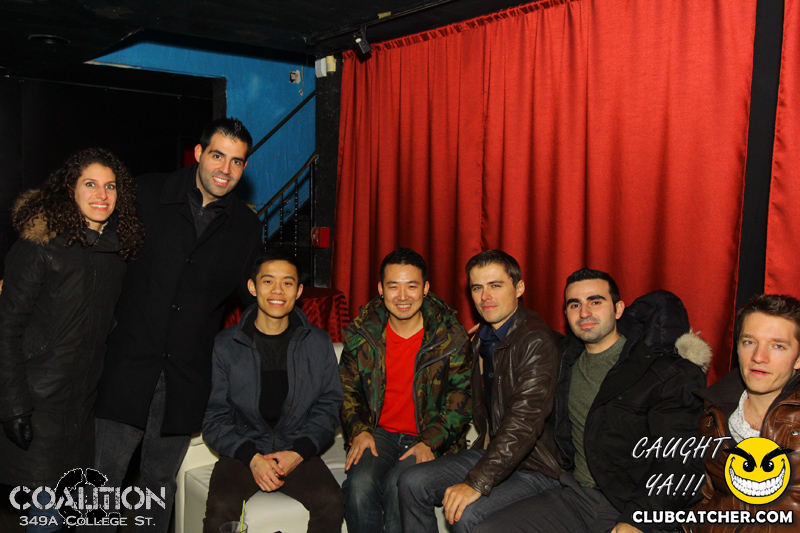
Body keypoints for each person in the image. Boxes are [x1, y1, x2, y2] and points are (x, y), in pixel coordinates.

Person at [91, 118, 262, 532]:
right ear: (199, 154)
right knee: (101, 482)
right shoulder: (145, 193)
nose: (225, 169)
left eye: (237, 162)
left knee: (158, 484)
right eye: (218, 155)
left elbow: (256, 298)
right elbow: (92, 243)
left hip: (184, 378)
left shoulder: (245, 227)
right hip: (124, 366)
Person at [473, 269, 710, 533]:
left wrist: (639, 518)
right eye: (575, 305)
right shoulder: (564, 358)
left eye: (595, 302)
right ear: (566, 314)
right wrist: (490, 337)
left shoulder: (663, 374)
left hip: (632, 503)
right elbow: (528, 340)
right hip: (577, 494)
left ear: (618, 309)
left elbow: (679, 461)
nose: (584, 313)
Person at [0, 148, 144, 532]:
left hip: (83, 409)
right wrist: (13, 406)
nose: (102, 195)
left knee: (68, 516)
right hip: (38, 405)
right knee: (46, 517)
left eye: (110, 186)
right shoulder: (41, 245)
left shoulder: (115, 252)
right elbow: (7, 328)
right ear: (70, 190)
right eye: (90, 184)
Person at [399, 249, 562, 533]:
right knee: (411, 482)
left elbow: (523, 423)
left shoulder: (535, 341)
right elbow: (457, 395)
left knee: (465, 513)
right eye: (477, 288)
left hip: (533, 466)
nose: (485, 296)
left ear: (519, 288)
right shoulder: (482, 338)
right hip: (490, 453)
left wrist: (477, 482)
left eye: (495, 285)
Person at [201, 249, 344, 533]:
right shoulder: (227, 344)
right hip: (244, 450)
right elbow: (214, 417)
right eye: (268, 281)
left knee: (331, 501)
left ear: (299, 291)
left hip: (296, 446)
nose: (278, 290)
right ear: (252, 287)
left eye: (287, 283)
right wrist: (252, 458)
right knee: (220, 508)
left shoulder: (317, 343)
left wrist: (299, 452)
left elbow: (329, 407)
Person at [339, 248, 472, 533]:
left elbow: (460, 402)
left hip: (428, 435)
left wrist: (430, 442)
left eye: (411, 286)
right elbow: (347, 391)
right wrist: (359, 430)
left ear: (425, 288)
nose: (402, 296)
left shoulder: (450, 338)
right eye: (393, 286)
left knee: (398, 487)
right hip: (379, 433)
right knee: (359, 487)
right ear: (380, 289)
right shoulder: (362, 335)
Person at [687, 294, 800, 532]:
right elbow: (704, 498)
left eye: (778, 346)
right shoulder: (712, 416)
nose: (759, 357)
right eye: (749, 342)